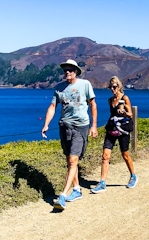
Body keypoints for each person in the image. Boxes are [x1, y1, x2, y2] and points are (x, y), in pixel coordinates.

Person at [41, 59, 98, 210]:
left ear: (76, 72)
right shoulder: (59, 88)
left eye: (70, 70)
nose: (67, 72)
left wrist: (94, 126)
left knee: (73, 160)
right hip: (64, 126)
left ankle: (63, 195)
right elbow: (52, 106)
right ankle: (77, 189)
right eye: (65, 69)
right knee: (70, 160)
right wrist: (46, 124)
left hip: (80, 127)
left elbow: (93, 105)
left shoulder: (85, 84)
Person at [91, 76, 137, 193]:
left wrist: (125, 112)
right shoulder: (110, 100)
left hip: (123, 130)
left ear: (119, 86)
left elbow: (131, 114)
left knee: (125, 154)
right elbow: (112, 115)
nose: (112, 89)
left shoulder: (125, 98)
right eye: (110, 87)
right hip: (111, 129)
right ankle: (102, 182)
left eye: (114, 86)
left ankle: (133, 176)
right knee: (105, 156)